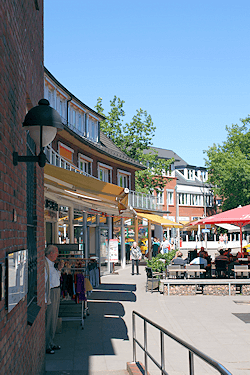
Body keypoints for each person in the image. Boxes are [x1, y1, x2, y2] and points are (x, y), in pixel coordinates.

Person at [45, 245, 64, 354]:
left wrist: (59, 269)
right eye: (56, 253)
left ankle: (51, 342)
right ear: (51, 253)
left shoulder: (52, 265)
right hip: (51, 292)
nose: (57, 255)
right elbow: (47, 282)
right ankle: (47, 344)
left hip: (55, 291)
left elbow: (56, 278)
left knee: (54, 318)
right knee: (50, 319)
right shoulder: (46, 264)